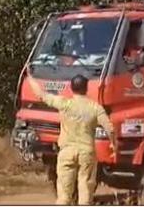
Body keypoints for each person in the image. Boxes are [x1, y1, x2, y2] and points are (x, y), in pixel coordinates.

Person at [27, 74, 116, 205]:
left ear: (71, 88)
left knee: (64, 195)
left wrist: (29, 77)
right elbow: (110, 128)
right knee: (85, 190)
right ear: (86, 88)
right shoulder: (95, 108)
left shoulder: (64, 103)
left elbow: (40, 94)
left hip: (66, 152)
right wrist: (114, 145)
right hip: (87, 153)